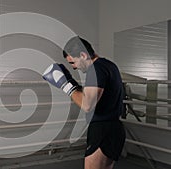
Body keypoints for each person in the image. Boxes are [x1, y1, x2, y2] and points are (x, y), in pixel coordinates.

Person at [42, 36, 125, 169]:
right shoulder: (108, 65)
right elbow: (97, 97)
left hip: (103, 131)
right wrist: (73, 85)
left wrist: (66, 85)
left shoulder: (96, 70)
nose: (74, 68)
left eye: (73, 62)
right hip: (112, 128)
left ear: (83, 55)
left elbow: (87, 105)